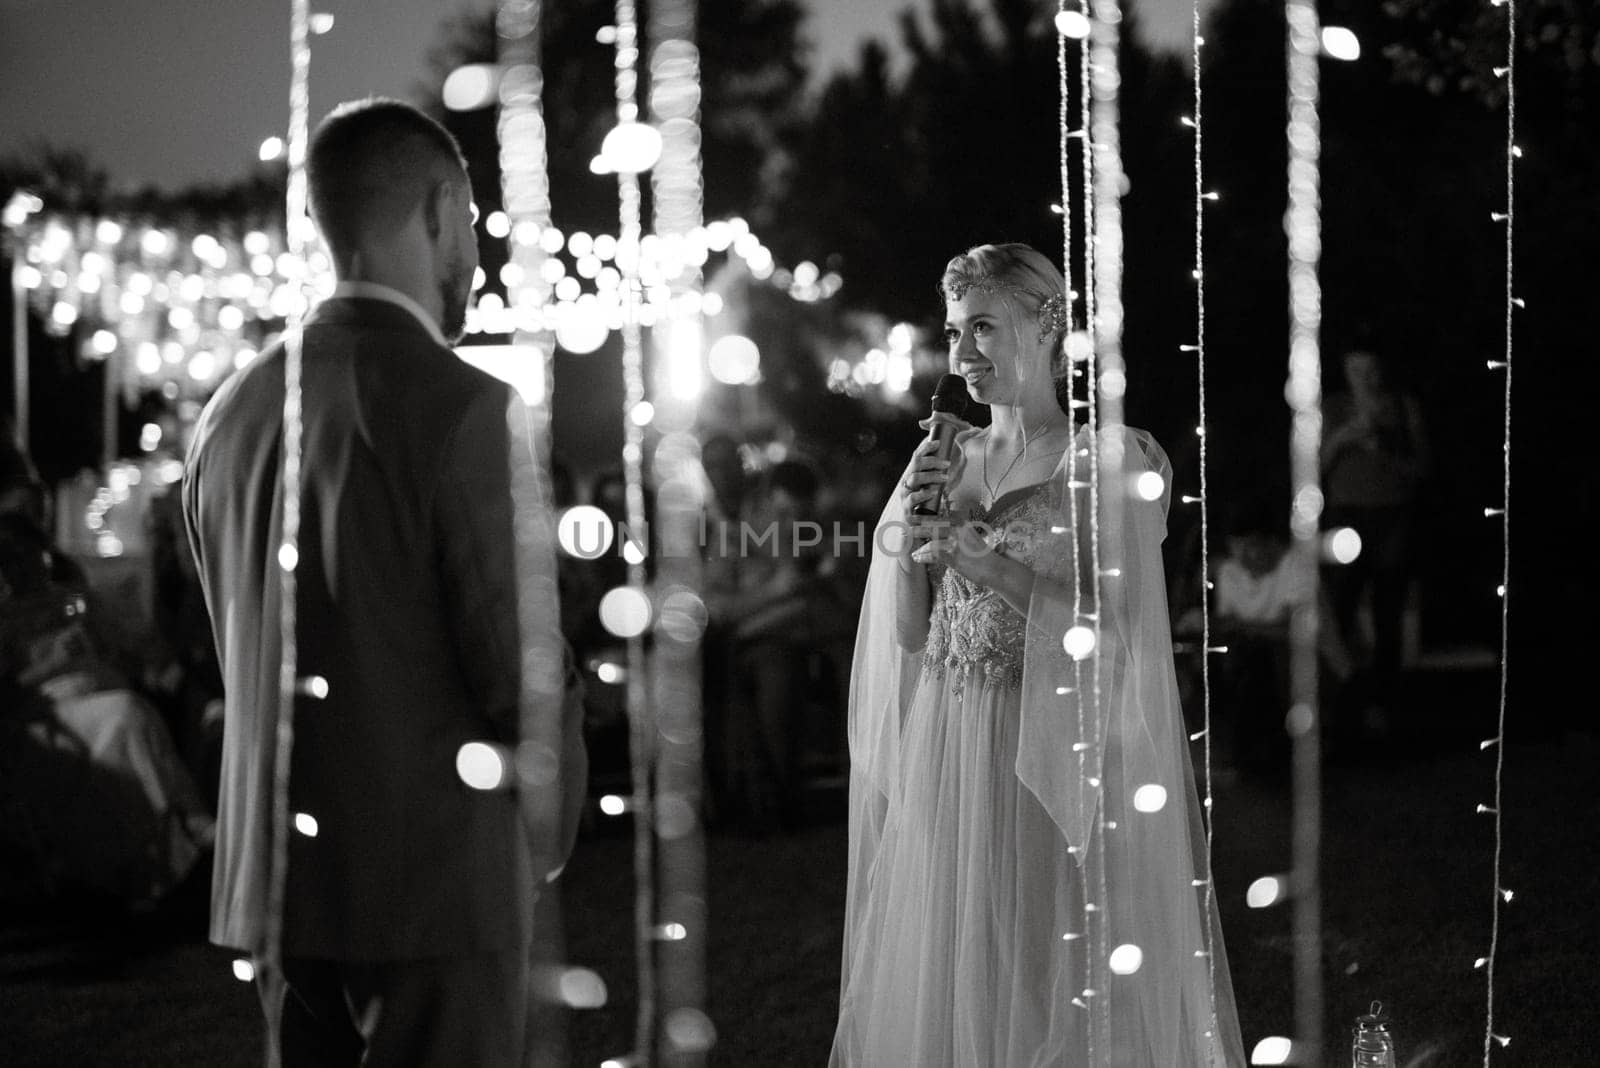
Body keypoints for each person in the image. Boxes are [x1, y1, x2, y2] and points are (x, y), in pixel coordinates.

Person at [182, 99, 584, 1068]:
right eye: (474, 225)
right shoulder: (466, 408)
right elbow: (518, 674)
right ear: (442, 209)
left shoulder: (227, 418)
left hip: (283, 887)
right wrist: (552, 821)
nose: (474, 257)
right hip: (434, 889)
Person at [832, 244, 1243, 1065]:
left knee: (1046, 960)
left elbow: (1113, 636)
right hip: (950, 746)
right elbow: (911, 632)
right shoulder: (943, 462)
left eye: (983, 327)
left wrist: (984, 561)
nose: (963, 356)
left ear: (1048, 328)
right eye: (954, 332)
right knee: (958, 959)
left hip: (1049, 742)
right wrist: (913, 533)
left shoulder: (1104, 462)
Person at [1321, 347, 1429, 731]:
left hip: (1392, 516)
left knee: (1388, 609)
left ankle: (1386, 707)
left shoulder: (1402, 406)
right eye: (1355, 369)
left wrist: (1382, 448)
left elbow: (1420, 469)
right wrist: (1341, 440)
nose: (1364, 377)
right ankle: (1338, 702)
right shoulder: (1332, 407)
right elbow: (1311, 465)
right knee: (1339, 605)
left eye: (1371, 369)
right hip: (1345, 516)